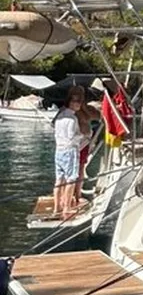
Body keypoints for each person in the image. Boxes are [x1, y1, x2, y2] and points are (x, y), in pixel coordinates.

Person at [52, 86, 87, 218]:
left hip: (58, 150)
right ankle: (66, 207)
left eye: (79, 101)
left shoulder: (59, 116)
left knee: (59, 180)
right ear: (70, 102)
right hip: (69, 151)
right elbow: (73, 136)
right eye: (76, 101)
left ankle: (57, 207)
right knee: (71, 179)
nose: (79, 104)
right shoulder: (72, 119)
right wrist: (83, 136)